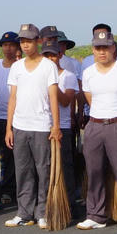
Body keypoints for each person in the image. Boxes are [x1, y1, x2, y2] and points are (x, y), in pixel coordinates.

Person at [79, 29, 117, 231]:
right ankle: (95, 215)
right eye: (98, 48)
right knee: (94, 170)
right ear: (93, 50)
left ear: (114, 49)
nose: (102, 52)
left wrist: (116, 115)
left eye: (106, 47)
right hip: (95, 124)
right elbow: (89, 99)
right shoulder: (88, 73)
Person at [5, 23, 61, 228]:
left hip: (41, 125)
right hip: (20, 125)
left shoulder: (48, 66)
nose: (25, 45)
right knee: (23, 170)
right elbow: (13, 98)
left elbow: (53, 97)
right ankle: (24, 212)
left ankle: (43, 212)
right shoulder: (16, 67)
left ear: (38, 41)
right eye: (22, 41)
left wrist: (55, 126)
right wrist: (8, 128)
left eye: (29, 40)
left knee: (43, 170)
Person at [42, 36, 80, 210]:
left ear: (59, 55)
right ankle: (49, 203)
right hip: (42, 126)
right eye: (47, 56)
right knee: (46, 166)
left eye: (54, 55)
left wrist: (53, 84)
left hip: (62, 126)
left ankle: (70, 203)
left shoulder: (69, 76)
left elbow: (66, 101)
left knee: (65, 166)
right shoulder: (39, 75)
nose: (51, 59)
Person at [0, 31, 21, 205]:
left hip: (13, 118)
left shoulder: (20, 66)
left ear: (18, 47)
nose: (8, 49)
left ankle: (8, 190)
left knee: (9, 157)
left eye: (12, 45)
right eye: (5, 45)